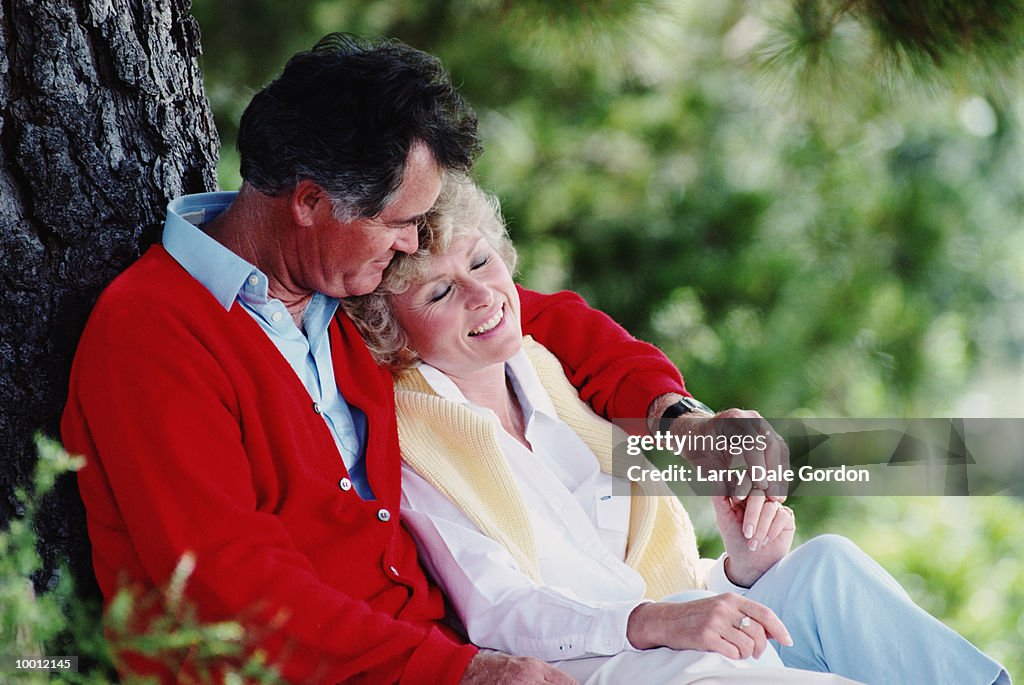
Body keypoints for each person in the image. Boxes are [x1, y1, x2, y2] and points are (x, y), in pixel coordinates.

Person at [60, 33, 774, 685]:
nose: (412, 245)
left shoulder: (341, 288)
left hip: (457, 650)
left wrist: (678, 419)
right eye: (400, 224)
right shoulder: (151, 335)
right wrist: (461, 672)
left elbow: (536, 321)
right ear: (309, 201)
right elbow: (233, 589)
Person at [342, 174, 1012, 685]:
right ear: (390, 329)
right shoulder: (413, 444)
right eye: (438, 292)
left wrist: (742, 571)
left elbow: (652, 573)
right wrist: (657, 622)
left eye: (481, 263)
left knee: (824, 566)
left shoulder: (549, 372)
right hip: (611, 664)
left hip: (683, 615)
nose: (482, 295)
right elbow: (501, 611)